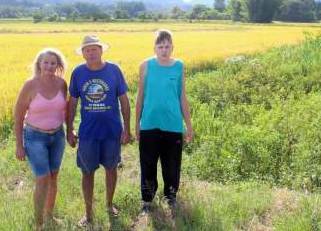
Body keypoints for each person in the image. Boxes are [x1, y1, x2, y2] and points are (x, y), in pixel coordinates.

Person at [66, 35, 131, 226]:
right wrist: (69, 130)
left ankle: (109, 205)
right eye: (87, 49)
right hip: (88, 133)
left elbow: (124, 101)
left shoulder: (114, 70)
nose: (91, 52)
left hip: (112, 131)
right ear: (83, 53)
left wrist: (127, 129)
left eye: (94, 48)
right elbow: (72, 103)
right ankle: (88, 213)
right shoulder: (78, 73)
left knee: (111, 168)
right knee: (87, 172)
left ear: (101, 50)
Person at [135, 29, 194, 214]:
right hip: (149, 123)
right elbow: (140, 96)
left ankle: (171, 196)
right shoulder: (145, 66)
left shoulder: (179, 66)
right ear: (154, 47)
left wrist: (189, 125)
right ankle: (147, 201)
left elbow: (182, 96)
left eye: (167, 46)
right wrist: (136, 124)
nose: (164, 50)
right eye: (160, 46)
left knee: (172, 164)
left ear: (172, 47)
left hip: (173, 124)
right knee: (148, 163)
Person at [14, 48, 68, 230]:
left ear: (58, 65)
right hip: (35, 137)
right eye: (46, 62)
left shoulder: (62, 84)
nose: (49, 66)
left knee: (53, 177)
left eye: (53, 63)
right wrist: (19, 145)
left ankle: (49, 216)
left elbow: (64, 110)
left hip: (58, 136)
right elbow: (18, 116)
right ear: (39, 64)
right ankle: (38, 223)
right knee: (42, 177)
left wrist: (71, 131)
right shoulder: (30, 85)